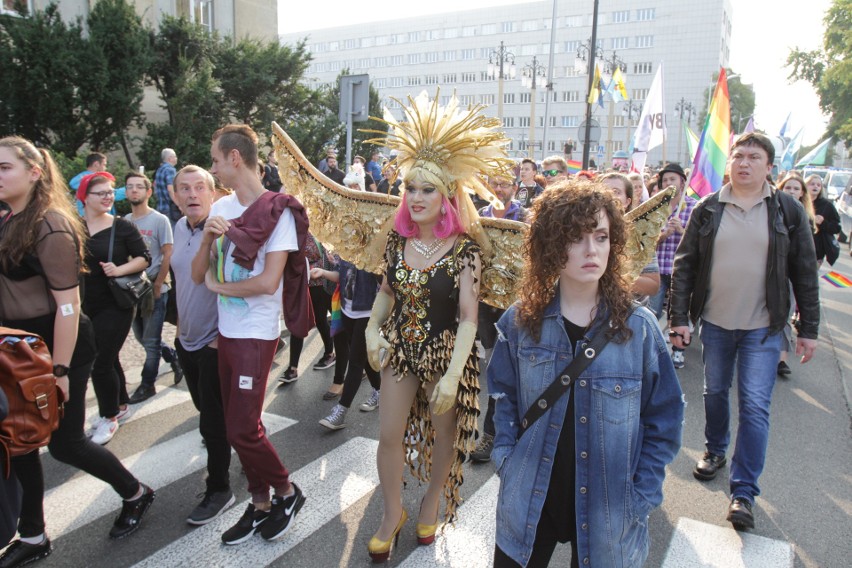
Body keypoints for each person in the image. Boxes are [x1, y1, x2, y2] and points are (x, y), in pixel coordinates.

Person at [489, 181, 684, 568]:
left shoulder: (640, 329)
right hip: (529, 493)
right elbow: (502, 396)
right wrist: (506, 461)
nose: (592, 250)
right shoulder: (520, 322)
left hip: (609, 507)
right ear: (549, 244)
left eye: (601, 236)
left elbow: (665, 418)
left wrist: (641, 494)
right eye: (575, 238)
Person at [363, 92, 510, 562]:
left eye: (427, 189)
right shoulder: (397, 243)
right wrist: (371, 329)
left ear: (446, 195)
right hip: (402, 351)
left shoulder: (464, 250)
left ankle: (429, 504)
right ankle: (391, 514)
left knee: (446, 439)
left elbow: (470, 317)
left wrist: (452, 375)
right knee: (389, 435)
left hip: (448, 353)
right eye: (410, 188)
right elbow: (386, 293)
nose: (417, 197)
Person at [0, 137, 155, 568]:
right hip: (15, 347)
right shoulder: (8, 218)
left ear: (34, 172)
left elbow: (69, 307)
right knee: (20, 442)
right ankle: (32, 535)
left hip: (54, 347)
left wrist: (61, 370)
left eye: (4, 167)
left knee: (65, 443)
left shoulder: (50, 225)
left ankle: (136, 492)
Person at [670, 132, 820, 530]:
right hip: (716, 324)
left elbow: (805, 273)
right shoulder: (708, 208)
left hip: (764, 329)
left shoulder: (787, 210)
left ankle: (743, 492)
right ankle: (715, 449)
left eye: (754, 157)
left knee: (755, 406)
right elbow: (685, 266)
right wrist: (679, 318)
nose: (744, 163)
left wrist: (809, 329)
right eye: (738, 155)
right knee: (714, 392)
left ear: (769, 167)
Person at [193, 124, 308, 545]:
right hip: (227, 332)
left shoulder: (278, 212)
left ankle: (288, 491)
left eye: (216, 160)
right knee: (235, 424)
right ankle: (259, 502)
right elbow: (198, 271)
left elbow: (267, 282)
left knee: (243, 429)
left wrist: (220, 287)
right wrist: (207, 241)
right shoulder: (221, 207)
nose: (214, 167)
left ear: (235, 159)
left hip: (256, 335)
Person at [169, 165, 235, 525]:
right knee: (206, 410)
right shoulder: (179, 227)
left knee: (212, 423)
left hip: (214, 342)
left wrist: (218, 340)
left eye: (199, 187)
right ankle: (245, 430)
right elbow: (182, 280)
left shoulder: (224, 231)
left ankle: (220, 489)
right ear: (175, 195)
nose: (192, 194)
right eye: (185, 188)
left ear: (213, 194)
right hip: (186, 340)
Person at [80, 172, 151, 445]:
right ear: (84, 197)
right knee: (108, 358)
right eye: (102, 193)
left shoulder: (122, 227)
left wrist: (118, 268)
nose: (109, 197)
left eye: (111, 192)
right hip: (87, 303)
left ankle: (108, 416)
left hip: (116, 303)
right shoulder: (75, 226)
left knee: (99, 361)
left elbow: (145, 259)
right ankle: (120, 404)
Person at [470, 175, 528, 463]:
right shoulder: (478, 217)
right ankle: (492, 434)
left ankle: (499, 434)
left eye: (505, 184)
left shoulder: (527, 218)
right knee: (496, 373)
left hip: (518, 311)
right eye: (495, 183)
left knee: (520, 375)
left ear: (515, 189)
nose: (499, 189)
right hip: (485, 310)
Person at [124, 172, 182, 404]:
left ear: (148, 192)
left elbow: (168, 254)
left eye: (139, 187)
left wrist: (159, 283)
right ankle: (173, 357)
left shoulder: (159, 220)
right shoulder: (125, 221)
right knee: (142, 337)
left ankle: (148, 384)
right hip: (132, 290)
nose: (134, 190)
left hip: (155, 289)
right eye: (130, 187)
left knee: (150, 341)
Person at [316, 258, 382, 429]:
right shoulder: (347, 247)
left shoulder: (374, 249)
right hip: (346, 310)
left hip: (368, 312)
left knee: (355, 362)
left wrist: (372, 264)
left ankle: (341, 411)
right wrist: (322, 273)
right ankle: (379, 390)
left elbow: (385, 281)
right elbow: (341, 275)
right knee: (364, 355)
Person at [648, 163, 696, 369]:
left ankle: (678, 351)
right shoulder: (656, 207)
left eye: (672, 179)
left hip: (681, 270)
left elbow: (698, 242)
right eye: (665, 180)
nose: (669, 183)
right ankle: (651, 351)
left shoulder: (694, 206)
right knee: (652, 311)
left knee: (679, 313)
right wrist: (663, 235)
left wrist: (682, 230)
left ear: (682, 182)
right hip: (658, 268)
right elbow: (647, 240)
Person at [599, 172, 661, 303]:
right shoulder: (583, 230)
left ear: (627, 201)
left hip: (628, 314)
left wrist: (613, 276)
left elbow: (653, 286)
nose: (609, 196)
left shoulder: (640, 235)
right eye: (603, 190)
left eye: (616, 192)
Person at [805, 173, 841, 266]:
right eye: (812, 184)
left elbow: (837, 228)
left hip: (816, 252)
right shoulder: (798, 202)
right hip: (796, 248)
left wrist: (823, 223)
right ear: (805, 186)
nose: (815, 186)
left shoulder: (827, 205)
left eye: (818, 185)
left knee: (809, 279)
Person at [154, 148, 181, 226]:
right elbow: (170, 189)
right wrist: (179, 204)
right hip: (170, 209)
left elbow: (156, 188)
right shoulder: (170, 170)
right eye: (175, 156)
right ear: (170, 158)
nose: (176, 158)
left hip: (160, 207)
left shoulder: (159, 170)